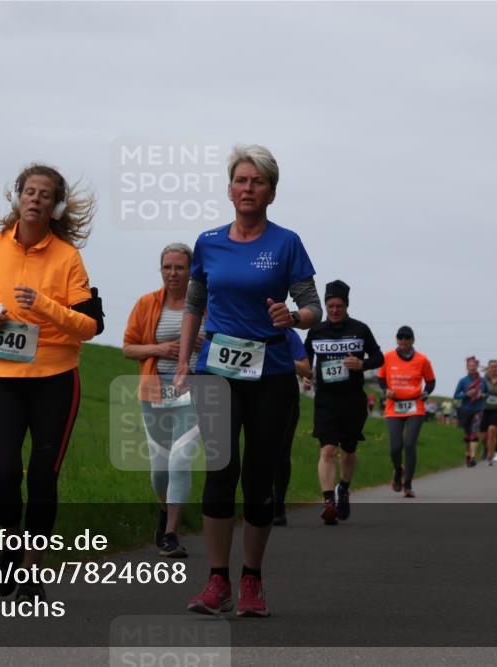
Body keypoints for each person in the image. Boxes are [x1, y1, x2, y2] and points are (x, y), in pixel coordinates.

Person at [175, 144, 321, 617]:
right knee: (220, 472)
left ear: (271, 192)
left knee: (258, 478)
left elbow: (313, 309)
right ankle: (217, 580)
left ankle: (252, 579)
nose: (248, 188)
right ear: (230, 188)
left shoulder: (286, 243)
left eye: (258, 181)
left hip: (272, 374)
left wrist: (293, 316)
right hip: (215, 371)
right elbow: (194, 305)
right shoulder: (209, 242)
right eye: (241, 180)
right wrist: (182, 363)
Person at [0, 164, 104, 602]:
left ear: (55, 206)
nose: (35, 199)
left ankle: (29, 568)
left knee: (43, 476)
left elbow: (90, 326)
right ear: (17, 197)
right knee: (2, 473)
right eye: (29, 191)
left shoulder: (67, 258)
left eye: (45, 195)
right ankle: (11, 543)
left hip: (55, 378)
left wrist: (44, 306)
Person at [123, 243, 204, 558]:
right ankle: (164, 510)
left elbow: (223, 342)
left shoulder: (206, 304)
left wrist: (204, 342)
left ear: (190, 271)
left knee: (180, 460)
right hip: (155, 392)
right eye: (167, 267)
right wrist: (159, 349)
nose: (173, 273)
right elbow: (129, 347)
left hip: (193, 391)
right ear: (161, 270)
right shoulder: (147, 303)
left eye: (180, 268)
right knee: (159, 470)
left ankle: (170, 533)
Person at [300, 280, 384, 524]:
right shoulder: (316, 331)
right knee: (327, 450)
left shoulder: (360, 329)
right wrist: (304, 376)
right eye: (330, 306)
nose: (334, 310)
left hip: (353, 399)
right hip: (326, 399)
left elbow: (378, 357)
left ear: (346, 305)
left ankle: (344, 488)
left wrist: (362, 364)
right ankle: (328, 502)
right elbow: (305, 360)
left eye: (339, 306)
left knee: (348, 451)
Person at [378, 325, 435, 497]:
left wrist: (426, 393)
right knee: (395, 447)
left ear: (413, 340)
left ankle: (408, 484)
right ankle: (397, 471)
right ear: (397, 339)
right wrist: (385, 390)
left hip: (415, 406)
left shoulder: (422, 360)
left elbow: (431, 381)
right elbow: (381, 378)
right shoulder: (387, 357)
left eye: (407, 338)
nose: (403, 341)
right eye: (400, 337)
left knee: (409, 444)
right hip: (393, 406)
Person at [273, 328, 308, 526]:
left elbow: (306, 369)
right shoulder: (242, 327)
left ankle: (279, 506)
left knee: (281, 451)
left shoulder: (287, 333)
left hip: (284, 395)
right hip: (252, 395)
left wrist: (281, 358)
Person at [454, 356, 486, 467]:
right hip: (466, 410)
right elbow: (456, 395)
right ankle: (467, 454)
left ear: (477, 366)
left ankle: (473, 457)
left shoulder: (483, 381)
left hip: (478, 410)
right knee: (467, 435)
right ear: (467, 367)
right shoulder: (463, 381)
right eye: (470, 366)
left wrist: (482, 395)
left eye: (474, 366)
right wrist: (466, 394)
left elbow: (488, 393)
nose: (472, 368)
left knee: (474, 433)